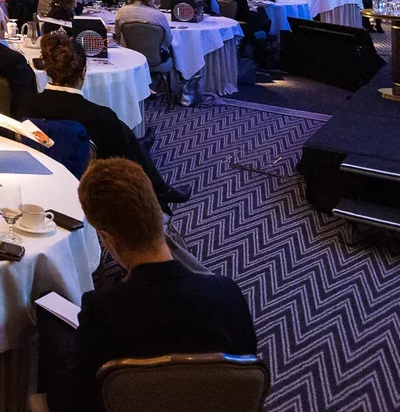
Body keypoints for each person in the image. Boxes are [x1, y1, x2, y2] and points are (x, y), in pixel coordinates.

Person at [57, 158, 254, 410]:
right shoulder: (228, 293)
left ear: (107, 238)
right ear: (156, 215)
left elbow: (76, 398)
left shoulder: (102, 309)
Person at [23, 35, 190, 208]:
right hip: (92, 185)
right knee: (122, 134)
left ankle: (143, 149)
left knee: (121, 130)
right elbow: (124, 165)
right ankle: (160, 190)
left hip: (39, 175)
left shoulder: (27, 106)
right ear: (84, 72)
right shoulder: (100, 116)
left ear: (47, 71)